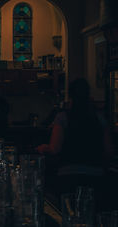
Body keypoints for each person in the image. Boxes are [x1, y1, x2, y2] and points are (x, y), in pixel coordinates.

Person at [36, 78, 114, 209]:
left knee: (68, 214)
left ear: (70, 95)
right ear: (88, 95)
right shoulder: (99, 118)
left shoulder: (63, 117)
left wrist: (43, 148)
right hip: (95, 178)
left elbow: (55, 148)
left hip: (68, 177)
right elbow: (109, 151)